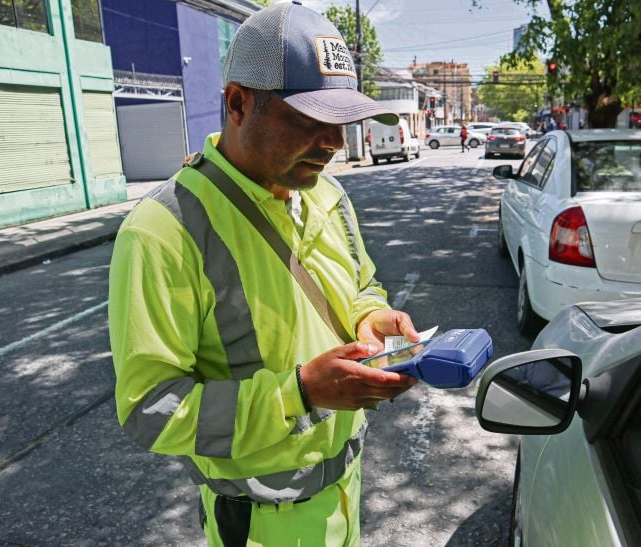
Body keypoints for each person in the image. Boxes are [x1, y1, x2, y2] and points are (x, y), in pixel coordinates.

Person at [107, 3, 420, 546]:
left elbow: (363, 284)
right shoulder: (163, 231)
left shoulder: (327, 193)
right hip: (259, 525)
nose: (333, 144)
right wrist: (299, 394)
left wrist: (373, 318)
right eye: (310, 120)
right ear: (237, 104)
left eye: (342, 122)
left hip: (345, 494)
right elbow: (150, 411)